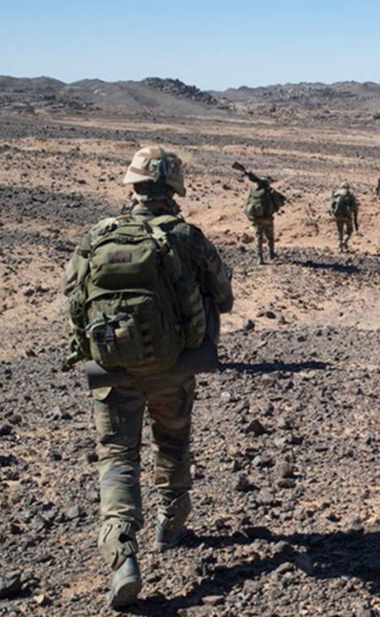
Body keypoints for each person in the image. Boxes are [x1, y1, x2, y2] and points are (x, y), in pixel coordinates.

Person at [60, 146, 234, 609]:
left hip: (113, 370)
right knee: (172, 444)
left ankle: (122, 558)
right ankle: (170, 525)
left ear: (132, 185)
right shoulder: (187, 237)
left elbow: (72, 299)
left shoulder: (98, 236)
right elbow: (225, 295)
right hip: (173, 370)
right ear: (175, 188)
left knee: (117, 457)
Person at [242, 172, 285, 265]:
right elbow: (279, 203)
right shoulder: (269, 191)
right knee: (270, 237)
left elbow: (247, 204)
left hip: (256, 219)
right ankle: (271, 255)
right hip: (267, 219)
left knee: (258, 238)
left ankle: (259, 258)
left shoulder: (253, 190)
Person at [329, 181, 358, 252]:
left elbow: (331, 206)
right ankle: (344, 241)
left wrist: (332, 214)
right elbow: (355, 206)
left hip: (337, 215)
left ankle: (339, 247)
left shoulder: (336, 194)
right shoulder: (349, 194)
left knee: (340, 230)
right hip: (346, 216)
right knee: (350, 229)